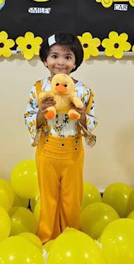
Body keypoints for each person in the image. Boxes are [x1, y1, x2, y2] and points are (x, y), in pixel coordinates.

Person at [24, 33, 98, 244]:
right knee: (48, 199)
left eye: (68, 57)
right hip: (47, 150)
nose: (60, 62)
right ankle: (46, 239)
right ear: (45, 59)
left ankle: (72, 240)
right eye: (54, 56)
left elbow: (91, 122)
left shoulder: (83, 91)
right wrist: (41, 112)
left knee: (71, 199)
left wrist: (81, 114)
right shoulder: (39, 89)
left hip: (72, 153)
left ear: (75, 62)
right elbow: (29, 118)